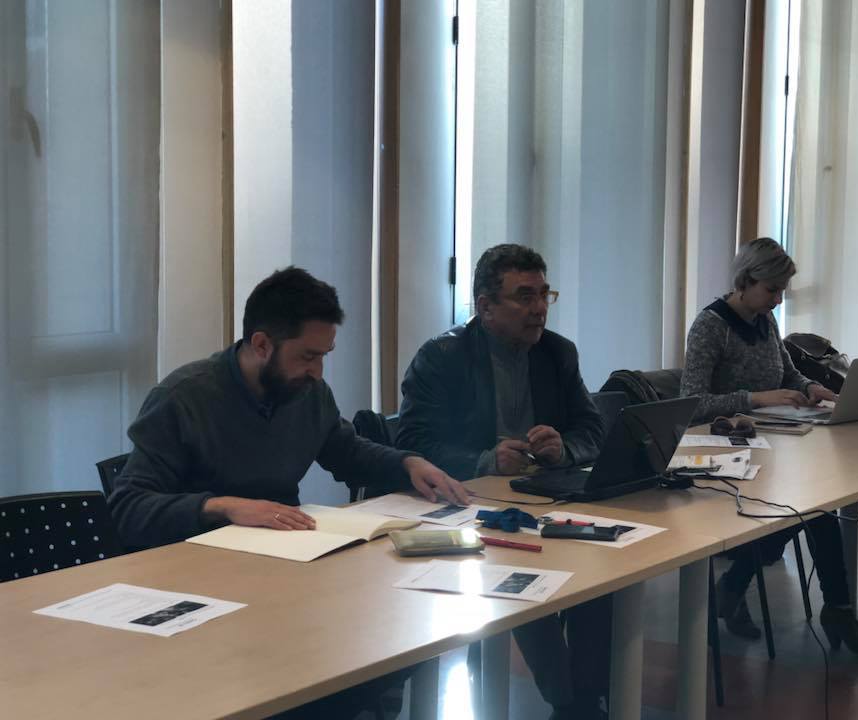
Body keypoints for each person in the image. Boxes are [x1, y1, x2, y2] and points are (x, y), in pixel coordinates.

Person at [109, 266, 469, 719]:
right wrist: (222, 506)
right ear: (262, 344)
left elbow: (345, 450)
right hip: (200, 593)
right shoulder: (183, 398)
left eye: (324, 356)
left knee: (394, 641)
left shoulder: (306, 392)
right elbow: (128, 507)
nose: (318, 372)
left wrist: (407, 463)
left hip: (282, 578)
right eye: (307, 356)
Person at [397, 244, 610, 719]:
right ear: (485, 306)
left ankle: (585, 698)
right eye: (524, 296)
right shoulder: (443, 356)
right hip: (470, 508)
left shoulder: (557, 352)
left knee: (604, 573)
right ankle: (572, 704)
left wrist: (564, 447)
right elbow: (410, 443)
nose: (539, 308)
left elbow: (593, 428)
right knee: (527, 578)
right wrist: (484, 460)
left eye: (544, 294)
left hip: (546, 499)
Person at [680, 237, 858, 655]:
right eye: (772, 289)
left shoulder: (764, 321)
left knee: (812, 506)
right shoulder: (710, 326)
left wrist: (811, 387)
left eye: (781, 291)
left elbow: (788, 374)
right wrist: (755, 398)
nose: (778, 300)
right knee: (806, 509)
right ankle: (834, 609)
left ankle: (749, 591)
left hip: (772, 444)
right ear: (745, 280)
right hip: (725, 451)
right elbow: (692, 403)